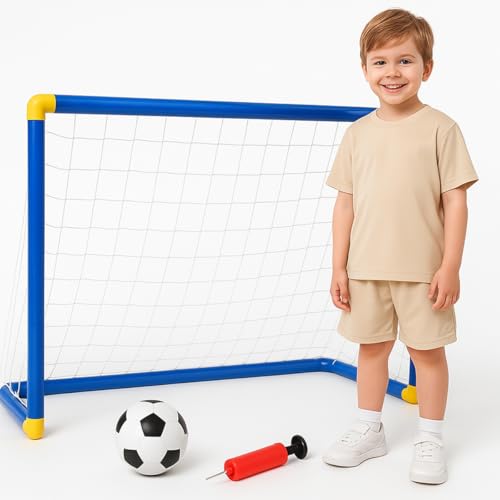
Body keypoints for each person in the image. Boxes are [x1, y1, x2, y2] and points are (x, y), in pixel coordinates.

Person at [322, 8, 479, 485]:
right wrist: (339, 267)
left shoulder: (441, 128)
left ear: (426, 68)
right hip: (366, 268)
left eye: (405, 61)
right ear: (365, 69)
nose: (392, 72)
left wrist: (450, 265)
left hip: (423, 271)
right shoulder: (357, 134)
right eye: (381, 62)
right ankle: (368, 429)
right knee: (371, 349)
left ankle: (430, 437)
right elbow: (345, 205)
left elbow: (456, 202)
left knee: (427, 353)